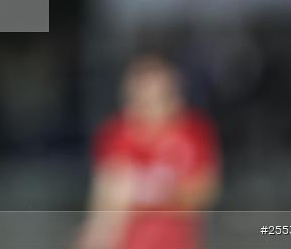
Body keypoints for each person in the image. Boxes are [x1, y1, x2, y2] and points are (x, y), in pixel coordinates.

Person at [76, 53, 220, 249]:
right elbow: (103, 206)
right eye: (138, 97)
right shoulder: (115, 134)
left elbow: (204, 193)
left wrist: (149, 191)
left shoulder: (194, 132)